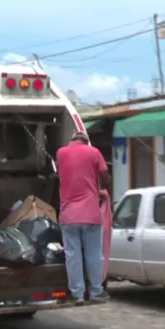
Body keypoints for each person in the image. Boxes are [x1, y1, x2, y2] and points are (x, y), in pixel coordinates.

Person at [56, 130, 112, 303]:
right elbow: (106, 177)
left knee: (72, 255)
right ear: (86, 141)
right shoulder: (94, 152)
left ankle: (77, 294)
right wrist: (100, 187)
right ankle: (95, 291)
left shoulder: (61, 152)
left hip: (68, 215)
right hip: (90, 213)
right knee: (94, 253)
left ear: (72, 140)